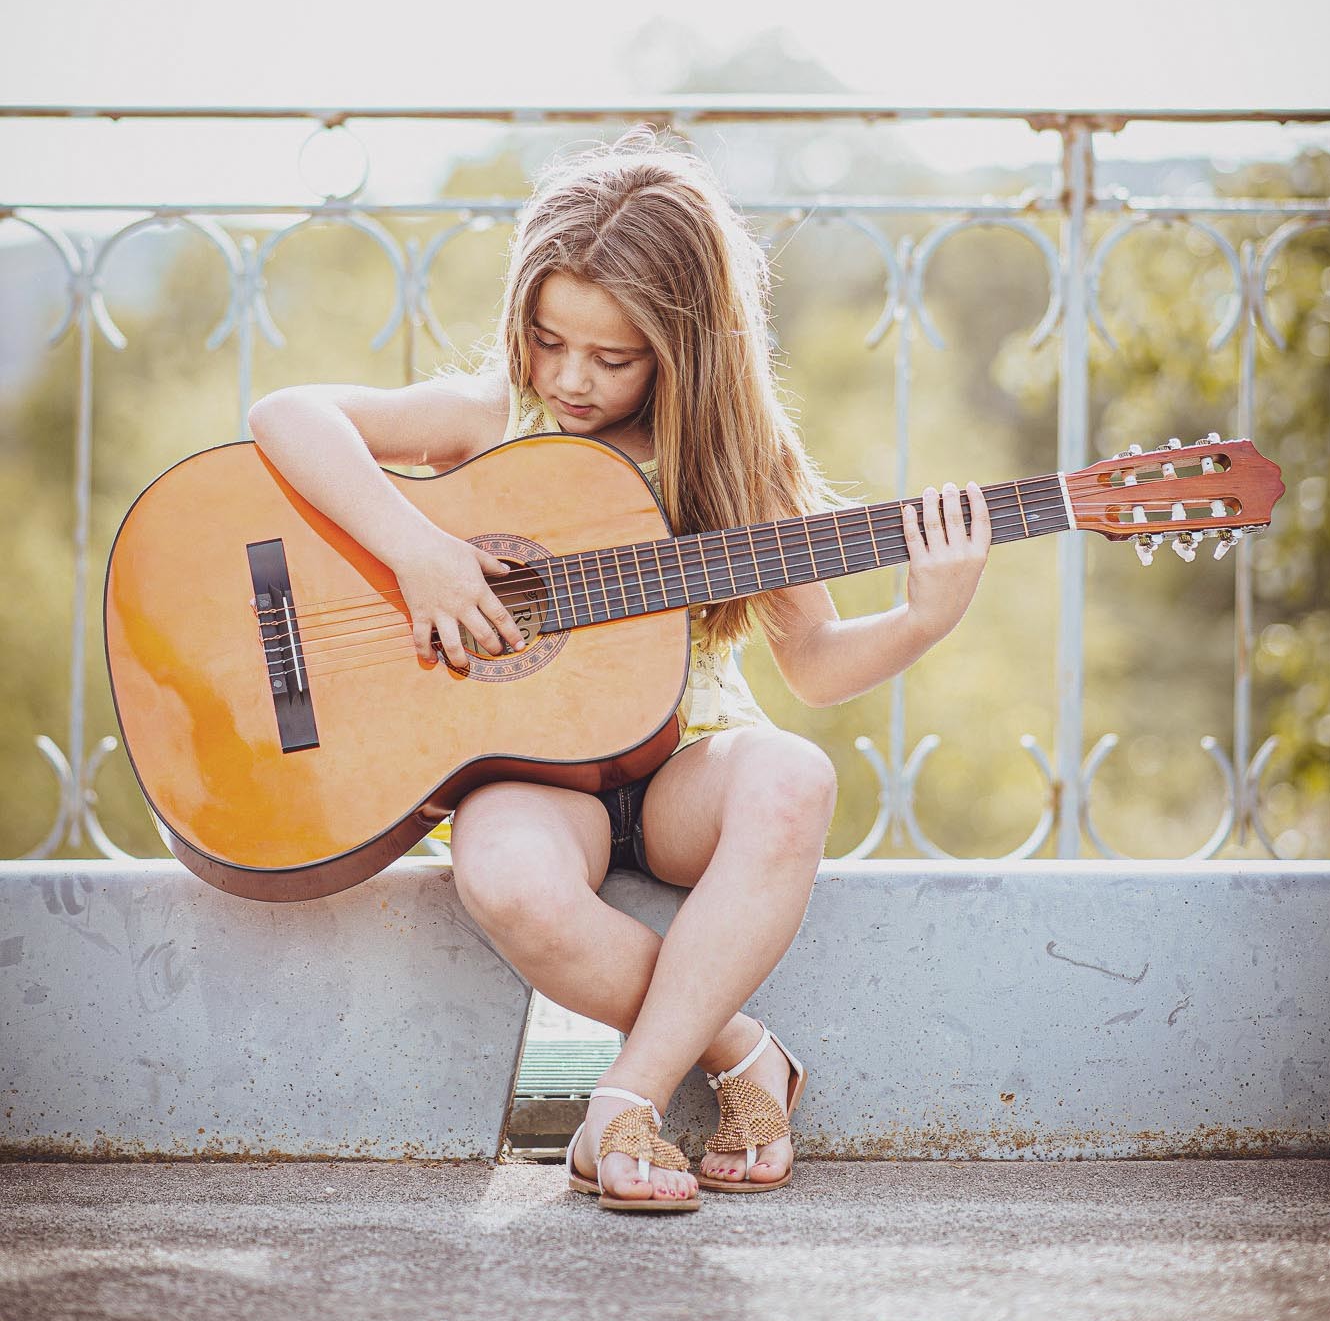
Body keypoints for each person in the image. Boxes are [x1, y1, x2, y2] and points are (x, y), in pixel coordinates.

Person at [246, 125, 992, 1212]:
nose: (572, 377)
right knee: (503, 875)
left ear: (682, 348)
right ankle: (744, 1054)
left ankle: (623, 1101)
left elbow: (816, 667)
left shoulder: (737, 461)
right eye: (549, 340)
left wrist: (923, 618)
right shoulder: (497, 416)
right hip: (533, 771)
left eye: (614, 356)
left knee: (796, 775)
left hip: (680, 756)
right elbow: (285, 416)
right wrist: (423, 555)